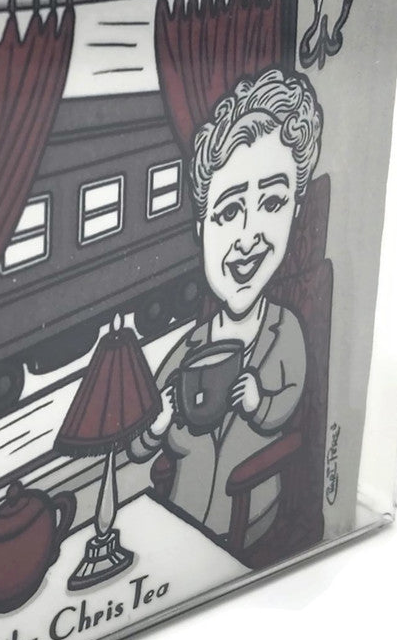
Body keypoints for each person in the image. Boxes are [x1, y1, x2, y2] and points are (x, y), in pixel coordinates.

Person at [128, 67, 322, 548]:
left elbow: (290, 396)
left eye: (272, 203)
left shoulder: (283, 330)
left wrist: (259, 402)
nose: (250, 236)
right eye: (230, 211)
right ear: (201, 229)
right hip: (183, 517)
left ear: (296, 212)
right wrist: (155, 425)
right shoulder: (190, 349)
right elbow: (138, 443)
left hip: (250, 518)